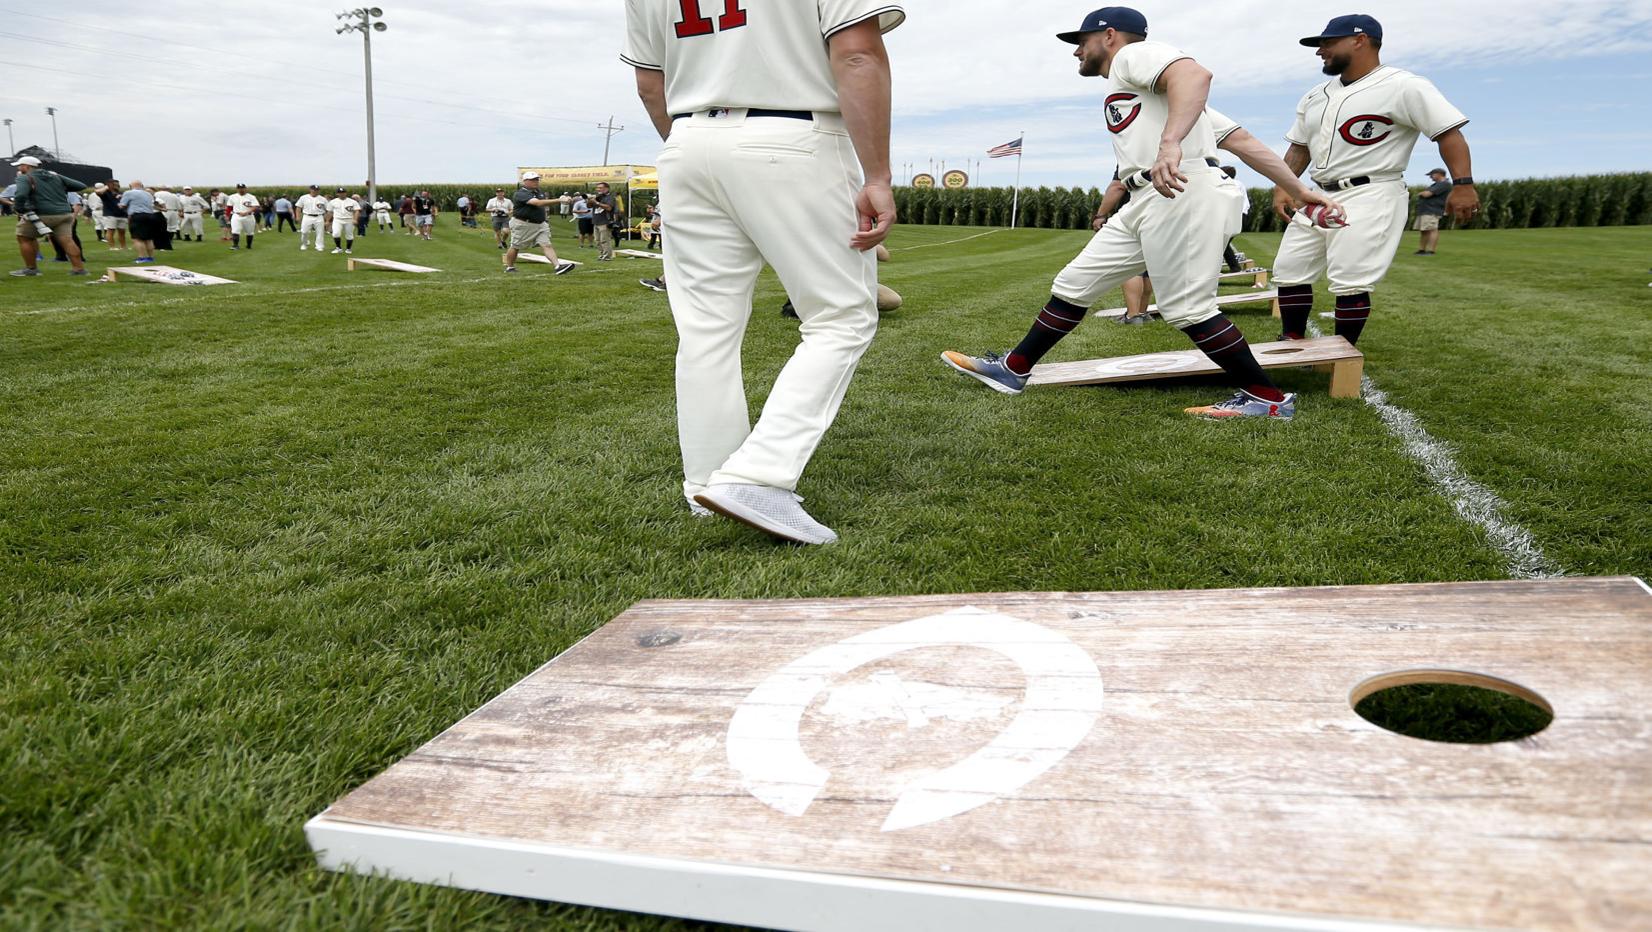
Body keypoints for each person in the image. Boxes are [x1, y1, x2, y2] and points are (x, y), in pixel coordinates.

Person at [942, 7, 1344, 420]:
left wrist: (1170, 143)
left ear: (1110, 35)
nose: (1077, 51)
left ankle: (1267, 399)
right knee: (1075, 282)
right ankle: (1014, 369)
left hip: (1180, 188)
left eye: (1082, 40)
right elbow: (1242, 140)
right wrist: (1300, 190)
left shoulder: (1135, 57)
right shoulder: (1160, 97)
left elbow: (1195, 74)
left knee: (1189, 307)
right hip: (1148, 197)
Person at [624, 0, 902, 543]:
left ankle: (707, 483)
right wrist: (879, 174)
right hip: (794, 136)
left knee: (705, 328)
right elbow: (858, 53)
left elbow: (649, 84)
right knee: (842, 316)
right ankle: (757, 476)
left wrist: (703, 150)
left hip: (686, 140)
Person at [1271, 14, 1477, 345]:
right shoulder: (1315, 95)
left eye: (1327, 42)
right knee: (1289, 269)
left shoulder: (1404, 85)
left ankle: (1342, 351)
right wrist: (1284, 184)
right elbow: (1300, 147)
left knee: (1350, 278)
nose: (1320, 51)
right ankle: (1291, 341)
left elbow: (1448, 133)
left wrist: (1463, 184)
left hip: (1372, 190)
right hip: (1317, 193)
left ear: (1360, 40)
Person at [8, 155, 89, 277]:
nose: (19, 168)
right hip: (64, 213)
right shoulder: (55, 176)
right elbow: (81, 186)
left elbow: (20, 195)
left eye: (20, 166)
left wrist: (18, 208)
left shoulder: (25, 178)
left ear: (27, 166)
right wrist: (61, 187)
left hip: (40, 214)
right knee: (67, 240)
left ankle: (31, 269)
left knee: (24, 237)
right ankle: (79, 269)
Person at [502, 172, 577, 275]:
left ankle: (558, 266)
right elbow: (537, 203)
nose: (536, 182)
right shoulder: (521, 193)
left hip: (540, 224)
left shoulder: (538, 192)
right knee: (516, 246)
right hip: (523, 224)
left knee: (546, 244)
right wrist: (560, 200)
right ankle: (510, 267)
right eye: (533, 180)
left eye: (537, 179)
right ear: (525, 181)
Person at [119, 180, 162, 263]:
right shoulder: (148, 194)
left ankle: (141, 257)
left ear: (130, 186)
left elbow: (122, 205)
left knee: (137, 238)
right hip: (150, 215)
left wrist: (118, 204)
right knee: (148, 238)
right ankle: (150, 257)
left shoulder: (129, 193)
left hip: (137, 215)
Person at [1413, 168, 1451, 256]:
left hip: (1432, 210)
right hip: (1426, 210)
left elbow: (1427, 194)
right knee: (1424, 230)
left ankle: (1431, 251)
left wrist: (1421, 193)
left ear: (1439, 174)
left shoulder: (1444, 184)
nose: (1430, 177)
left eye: (1432, 174)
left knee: (1432, 229)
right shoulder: (1437, 184)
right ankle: (1421, 250)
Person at [224, 183, 261, 250]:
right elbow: (229, 207)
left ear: (245, 189)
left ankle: (249, 245)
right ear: (237, 189)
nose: (241, 189)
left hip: (249, 216)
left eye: (242, 188)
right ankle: (235, 245)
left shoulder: (251, 197)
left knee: (249, 232)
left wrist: (246, 212)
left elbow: (255, 206)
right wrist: (227, 215)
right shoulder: (232, 196)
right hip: (236, 216)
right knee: (235, 231)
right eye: (239, 188)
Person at [588, 182, 619, 260]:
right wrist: (590, 200)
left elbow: (609, 208)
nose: (598, 189)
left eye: (600, 188)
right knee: (597, 240)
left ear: (606, 188)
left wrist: (597, 203)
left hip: (605, 221)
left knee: (604, 240)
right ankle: (602, 254)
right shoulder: (598, 197)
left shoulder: (610, 197)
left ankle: (607, 256)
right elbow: (588, 206)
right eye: (597, 188)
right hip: (596, 221)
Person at [295, 184, 329, 251]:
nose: (315, 191)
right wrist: (298, 217)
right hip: (307, 216)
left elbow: (328, 210)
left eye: (317, 190)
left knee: (320, 232)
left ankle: (319, 246)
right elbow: (298, 207)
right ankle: (304, 244)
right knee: (304, 231)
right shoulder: (303, 197)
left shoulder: (323, 199)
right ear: (310, 190)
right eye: (313, 189)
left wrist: (327, 220)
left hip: (319, 216)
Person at [327, 187, 360, 254]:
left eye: (343, 193)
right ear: (337, 194)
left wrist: (355, 219)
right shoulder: (333, 202)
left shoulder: (352, 201)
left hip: (349, 219)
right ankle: (338, 248)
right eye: (340, 193)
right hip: (337, 219)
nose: (342, 194)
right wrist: (328, 221)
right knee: (336, 233)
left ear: (346, 193)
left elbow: (357, 211)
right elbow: (330, 212)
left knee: (349, 234)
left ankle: (348, 249)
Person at [101, 180, 130, 250]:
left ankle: (123, 247)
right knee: (111, 231)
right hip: (111, 214)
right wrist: (106, 187)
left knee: (122, 232)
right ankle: (112, 247)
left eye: (118, 184)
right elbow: (98, 192)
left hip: (122, 214)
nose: (118, 186)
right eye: (116, 184)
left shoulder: (120, 193)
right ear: (110, 185)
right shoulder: (105, 193)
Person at [153, 184, 181, 250]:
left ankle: (160, 242)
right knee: (172, 227)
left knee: (162, 227)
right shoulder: (173, 195)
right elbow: (179, 206)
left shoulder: (156, 194)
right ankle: (169, 240)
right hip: (173, 211)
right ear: (167, 189)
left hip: (161, 211)